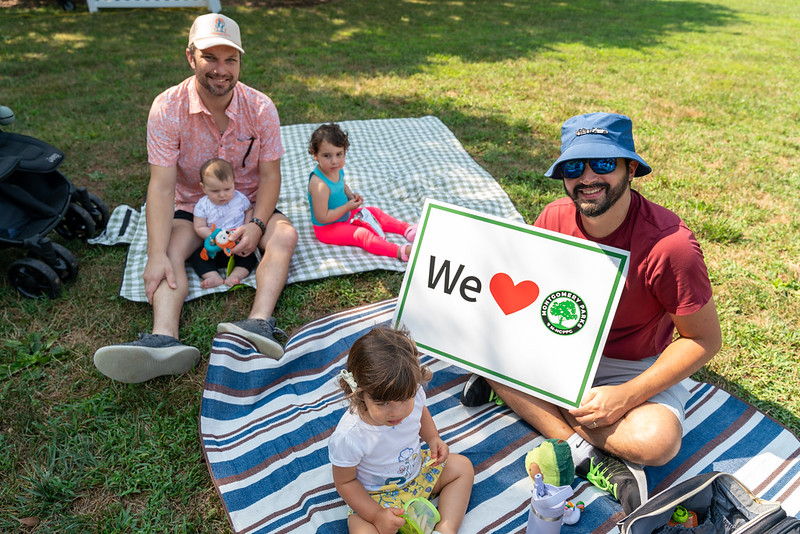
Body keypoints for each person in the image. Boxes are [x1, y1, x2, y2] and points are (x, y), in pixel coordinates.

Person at [461, 112, 722, 515]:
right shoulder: (552, 217)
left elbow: (703, 340)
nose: (587, 178)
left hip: (629, 365)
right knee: (476, 344)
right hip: (558, 346)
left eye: (603, 164)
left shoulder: (671, 246)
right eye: (573, 167)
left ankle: (524, 397)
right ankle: (582, 450)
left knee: (657, 442)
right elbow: (528, 296)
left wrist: (625, 397)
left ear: (630, 168)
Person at [93, 13, 298, 383]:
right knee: (169, 252)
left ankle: (258, 324)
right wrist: (155, 255)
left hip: (248, 203)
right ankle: (164, 340)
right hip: (193, 207)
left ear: (240, 62)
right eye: (210, 58)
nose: (221, 69)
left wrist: (257, 224)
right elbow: (160, 186)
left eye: (230, 59)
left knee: (284, 236)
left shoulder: (262, 107)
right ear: (191, 57)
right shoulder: (167, 108)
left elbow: (270, 175)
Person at [329, 327, 473, 534]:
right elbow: (345, 482)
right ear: (360, 394)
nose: (397, 412)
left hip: (418, 476)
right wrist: (377, 515)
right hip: (375, 497)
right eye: (383, 403)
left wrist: (433, 439)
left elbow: (421, 413)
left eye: (405, 399)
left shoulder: (411, 392)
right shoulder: (350, 436)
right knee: (361, 529)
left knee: (462, 467)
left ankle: (445, 530)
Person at [307, 123, 417, 262]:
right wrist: (347, 207)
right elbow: (323, 217)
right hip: (328, 228)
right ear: (315, 155)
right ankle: (400, 251)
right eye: (327, 155)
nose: (334, 161)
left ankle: (407, 229)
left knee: (374, 212)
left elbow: (341, 185)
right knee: (361, 235)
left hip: (344, 215)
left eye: (339, 154)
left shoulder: (335, 169)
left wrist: (350, 195)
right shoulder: (319, 185)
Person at [189, 157, 257, 289]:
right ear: (203, 188)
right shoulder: (203, 205)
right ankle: (212, 276)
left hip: (237, 245)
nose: (222, 195)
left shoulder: (240, 199)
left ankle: (235, 275)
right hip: (215, 248)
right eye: (215, 191)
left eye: (227, 189)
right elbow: (199, 226)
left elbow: (249, 210)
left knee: (250, 255)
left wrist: (247, 226)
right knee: (197, 256)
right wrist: (213, 237)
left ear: (234, 183)